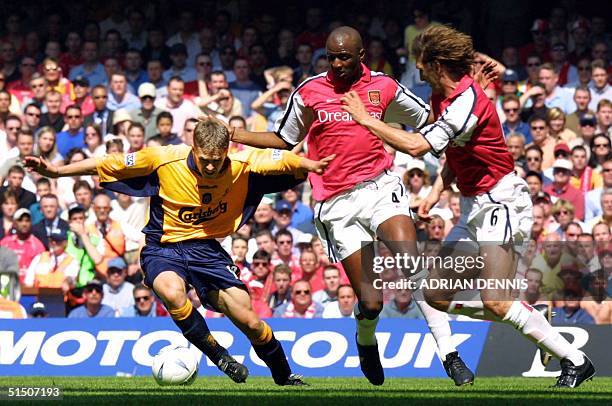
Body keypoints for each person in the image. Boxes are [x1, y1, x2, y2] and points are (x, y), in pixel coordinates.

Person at [339, 24, 594, 388]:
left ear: (436, 63)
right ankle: (528, 315)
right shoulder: (443, 97)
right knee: (436, 294)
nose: (418, 71)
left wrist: (366, 119)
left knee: (496, 301)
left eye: (421, 64)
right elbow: (455, 152)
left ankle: (575, 360)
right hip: (473, 205)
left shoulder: (465, 102)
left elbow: (416, 146)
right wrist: (434, 192)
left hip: (502, 204)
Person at [229, 25, 475, 387]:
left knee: (411, 262)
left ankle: (450, 355)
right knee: (371, 302)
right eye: (331, 57)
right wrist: (234, 134)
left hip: (380, 187)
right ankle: (365, 339)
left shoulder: (385, 86)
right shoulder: (310, 91)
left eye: (344, 57)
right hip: (335, 203)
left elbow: (428, 120)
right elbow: (284, 138)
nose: (337, 63)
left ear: (361, 56)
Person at [25, 117, 332, 386]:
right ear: (192, 147)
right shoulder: (163, 158)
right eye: (204, 159)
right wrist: (56, 172)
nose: (211, 166)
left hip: (208, 251)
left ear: (226, 150)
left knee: (249, 321)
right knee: (172, 294)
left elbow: (286, 161)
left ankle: (283, 375)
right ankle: (218, 355)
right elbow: (108, 161)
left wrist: (311, 165)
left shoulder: (242, 162)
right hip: (163, 248)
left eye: (217, 159)